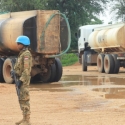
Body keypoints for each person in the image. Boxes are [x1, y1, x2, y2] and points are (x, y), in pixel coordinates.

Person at [14, 36, 32, 125]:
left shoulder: (26, 55)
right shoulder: (22, 53)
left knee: (25, 99)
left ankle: (27, 120)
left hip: (24, 80)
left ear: (23, 44)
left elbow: (26, 70)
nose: (17, 45)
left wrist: (21, 80)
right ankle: (24, 118)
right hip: (20, 78)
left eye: (18, 44)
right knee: (21, 99)